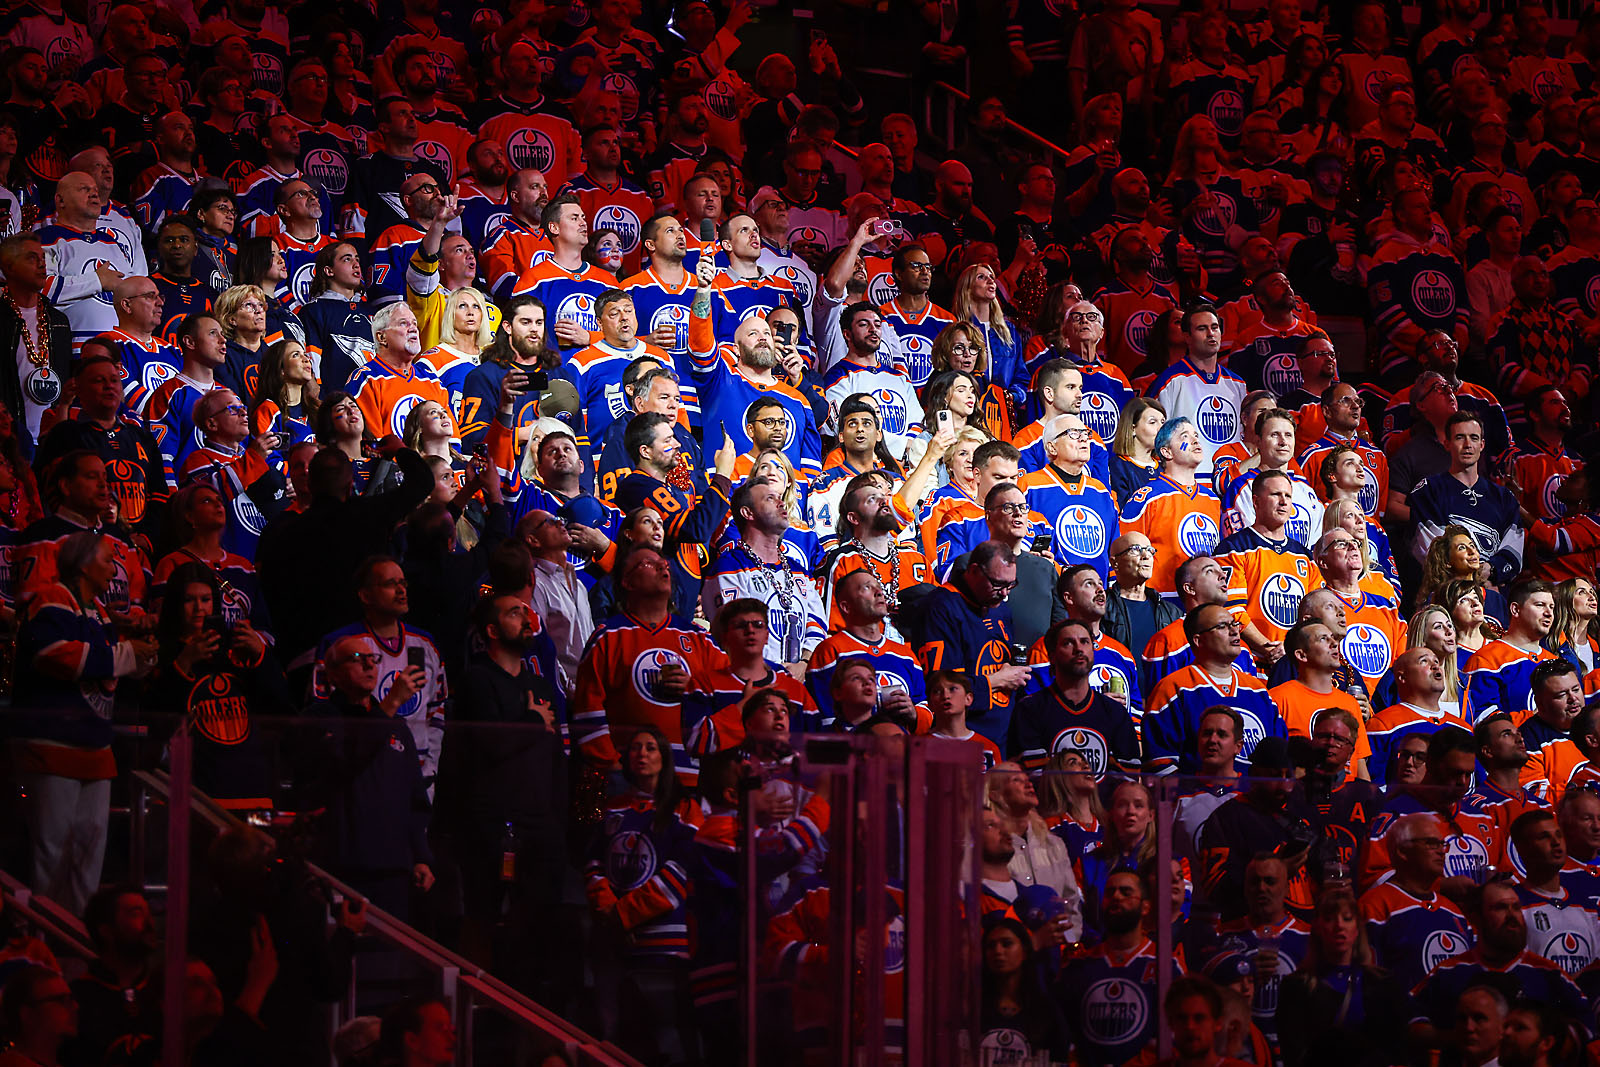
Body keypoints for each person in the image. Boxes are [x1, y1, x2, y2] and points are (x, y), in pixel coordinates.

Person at [14, 529, 154, 912]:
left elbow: (112, 669)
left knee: (87, 853)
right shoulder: (53, 599)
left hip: (95, 749)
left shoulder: (99, 611)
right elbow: (52, 654)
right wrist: (128, 654)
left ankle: (74, 939)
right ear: (83, 562)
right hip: (53, 747)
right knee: (52, 852)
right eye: (109, 559)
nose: (115, 569)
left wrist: (145, 656)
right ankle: (44, 943)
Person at [903, 540, 1032, 745]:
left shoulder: (1000, 607)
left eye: (1011, 585)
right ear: (974, 570)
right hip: (960, 739)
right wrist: (996, 681)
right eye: (998, 584)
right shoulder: (939, 608)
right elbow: (941, 685)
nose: (1005, 593)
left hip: (1003, 734)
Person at [1275, 888, 1410, 1067]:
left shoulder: (1383, 984)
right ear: (1318, 929)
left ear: (1357, 930)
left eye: (1347, 919)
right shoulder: (1296, 987)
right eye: (1330, 919)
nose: (1339, 926)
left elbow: (1395, 1048)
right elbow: (1294, 1053)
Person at [1146, 602, 1284, 775]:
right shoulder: (1173, 688)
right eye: (1222, 626)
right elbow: (1160, 761)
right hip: (1196, 799)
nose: (1235, 631)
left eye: (1234, 624)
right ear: (1198, 640)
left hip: (1255, 799)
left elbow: (1279, 754)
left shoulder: (1258, 690)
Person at [1007, 619, 1138, 777]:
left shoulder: (1116, 713)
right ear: (1052, 656)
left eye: (1085, 642)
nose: (1078, 649)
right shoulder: (1030, 710)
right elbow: (1032, 779)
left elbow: (1127, 780)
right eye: (1068, 643)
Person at [1410, 412, 1524, 585]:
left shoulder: (1504, 498)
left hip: (1492, 590)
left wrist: (1491, 570)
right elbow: (1432, 549)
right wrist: (1470, 576)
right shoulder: (1428, 490)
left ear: (1482, 444)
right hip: (1447, 592)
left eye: (1474, 438)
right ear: (1446, 444)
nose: (1468, 445)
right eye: (1459, 438)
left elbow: (1514, 552)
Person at [1118, 417, 1223, 598]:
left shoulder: (1212, 499)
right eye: (1184, 436)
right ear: (1166, 451)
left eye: (1196, 435)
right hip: (1162, 603)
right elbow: (1123, 556)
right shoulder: (1146, 498)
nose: (1195, 440)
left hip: (1206, 603)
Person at [1150, 304, 1247, 486]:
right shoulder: (1170, 381)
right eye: (1202, 328)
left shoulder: (1238, 384)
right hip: (1188, 484)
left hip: (1234, 482)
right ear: (1187, 337)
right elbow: (1153, 437)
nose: (1211, 334)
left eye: (1214, 327)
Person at [1269, 620, 1373, 779]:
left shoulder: (1350, 703)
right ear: (1302, 655)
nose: (1334, 643)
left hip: (1344, 800)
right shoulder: (1277, 699)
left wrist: (1366, 800)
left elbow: (1359, 765)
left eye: (1333, 638)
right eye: (1324, 639)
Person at [1466, 578, 1560, 723]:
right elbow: (1481, 719)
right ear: (1515, 609)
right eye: (1540, 605)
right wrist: (1537, 718)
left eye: (1552, 607)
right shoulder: (1486, 659)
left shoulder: (1556, 662)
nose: (1549, 613)